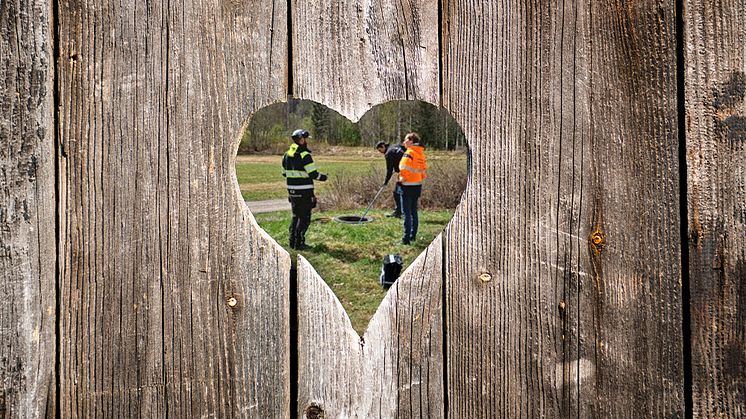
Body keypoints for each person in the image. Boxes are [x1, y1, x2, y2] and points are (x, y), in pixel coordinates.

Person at [282, 129, 327, 250]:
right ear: (301, 140)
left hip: (292, 192)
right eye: (306, 139)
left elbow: (284, 173)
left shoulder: (286, 155)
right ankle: (299, 243)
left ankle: (292, 242)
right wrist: (323, 177)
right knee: (305, 218)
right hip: (304, 192)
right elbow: (313, 174)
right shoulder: (304, 155)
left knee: (296, 216)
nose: (307, 141)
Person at [398, 132, 427, 245]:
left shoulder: (409, 153)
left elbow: (403, 169)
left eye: (406, 140)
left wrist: (402, 179)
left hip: (406, 186)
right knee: (414, 212)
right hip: (417, 185)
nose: (404, 142)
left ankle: (406, 239)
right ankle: (413, 235)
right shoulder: (421, 154)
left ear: (411, 141)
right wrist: (417, 178)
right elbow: (423, 171)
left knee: (407, 213)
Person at [375, 140, 406, 218]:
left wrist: (386, 181)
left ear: (383, 146)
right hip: (409, 171)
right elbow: (404, 152)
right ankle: (401, 212)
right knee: (400, 192)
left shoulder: (388, 153)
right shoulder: (395, 146)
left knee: (397, 193)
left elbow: (389, 169)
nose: (380, 152)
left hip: (405, 173)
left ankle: (400, 213)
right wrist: (397, 168)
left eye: (380, 150)